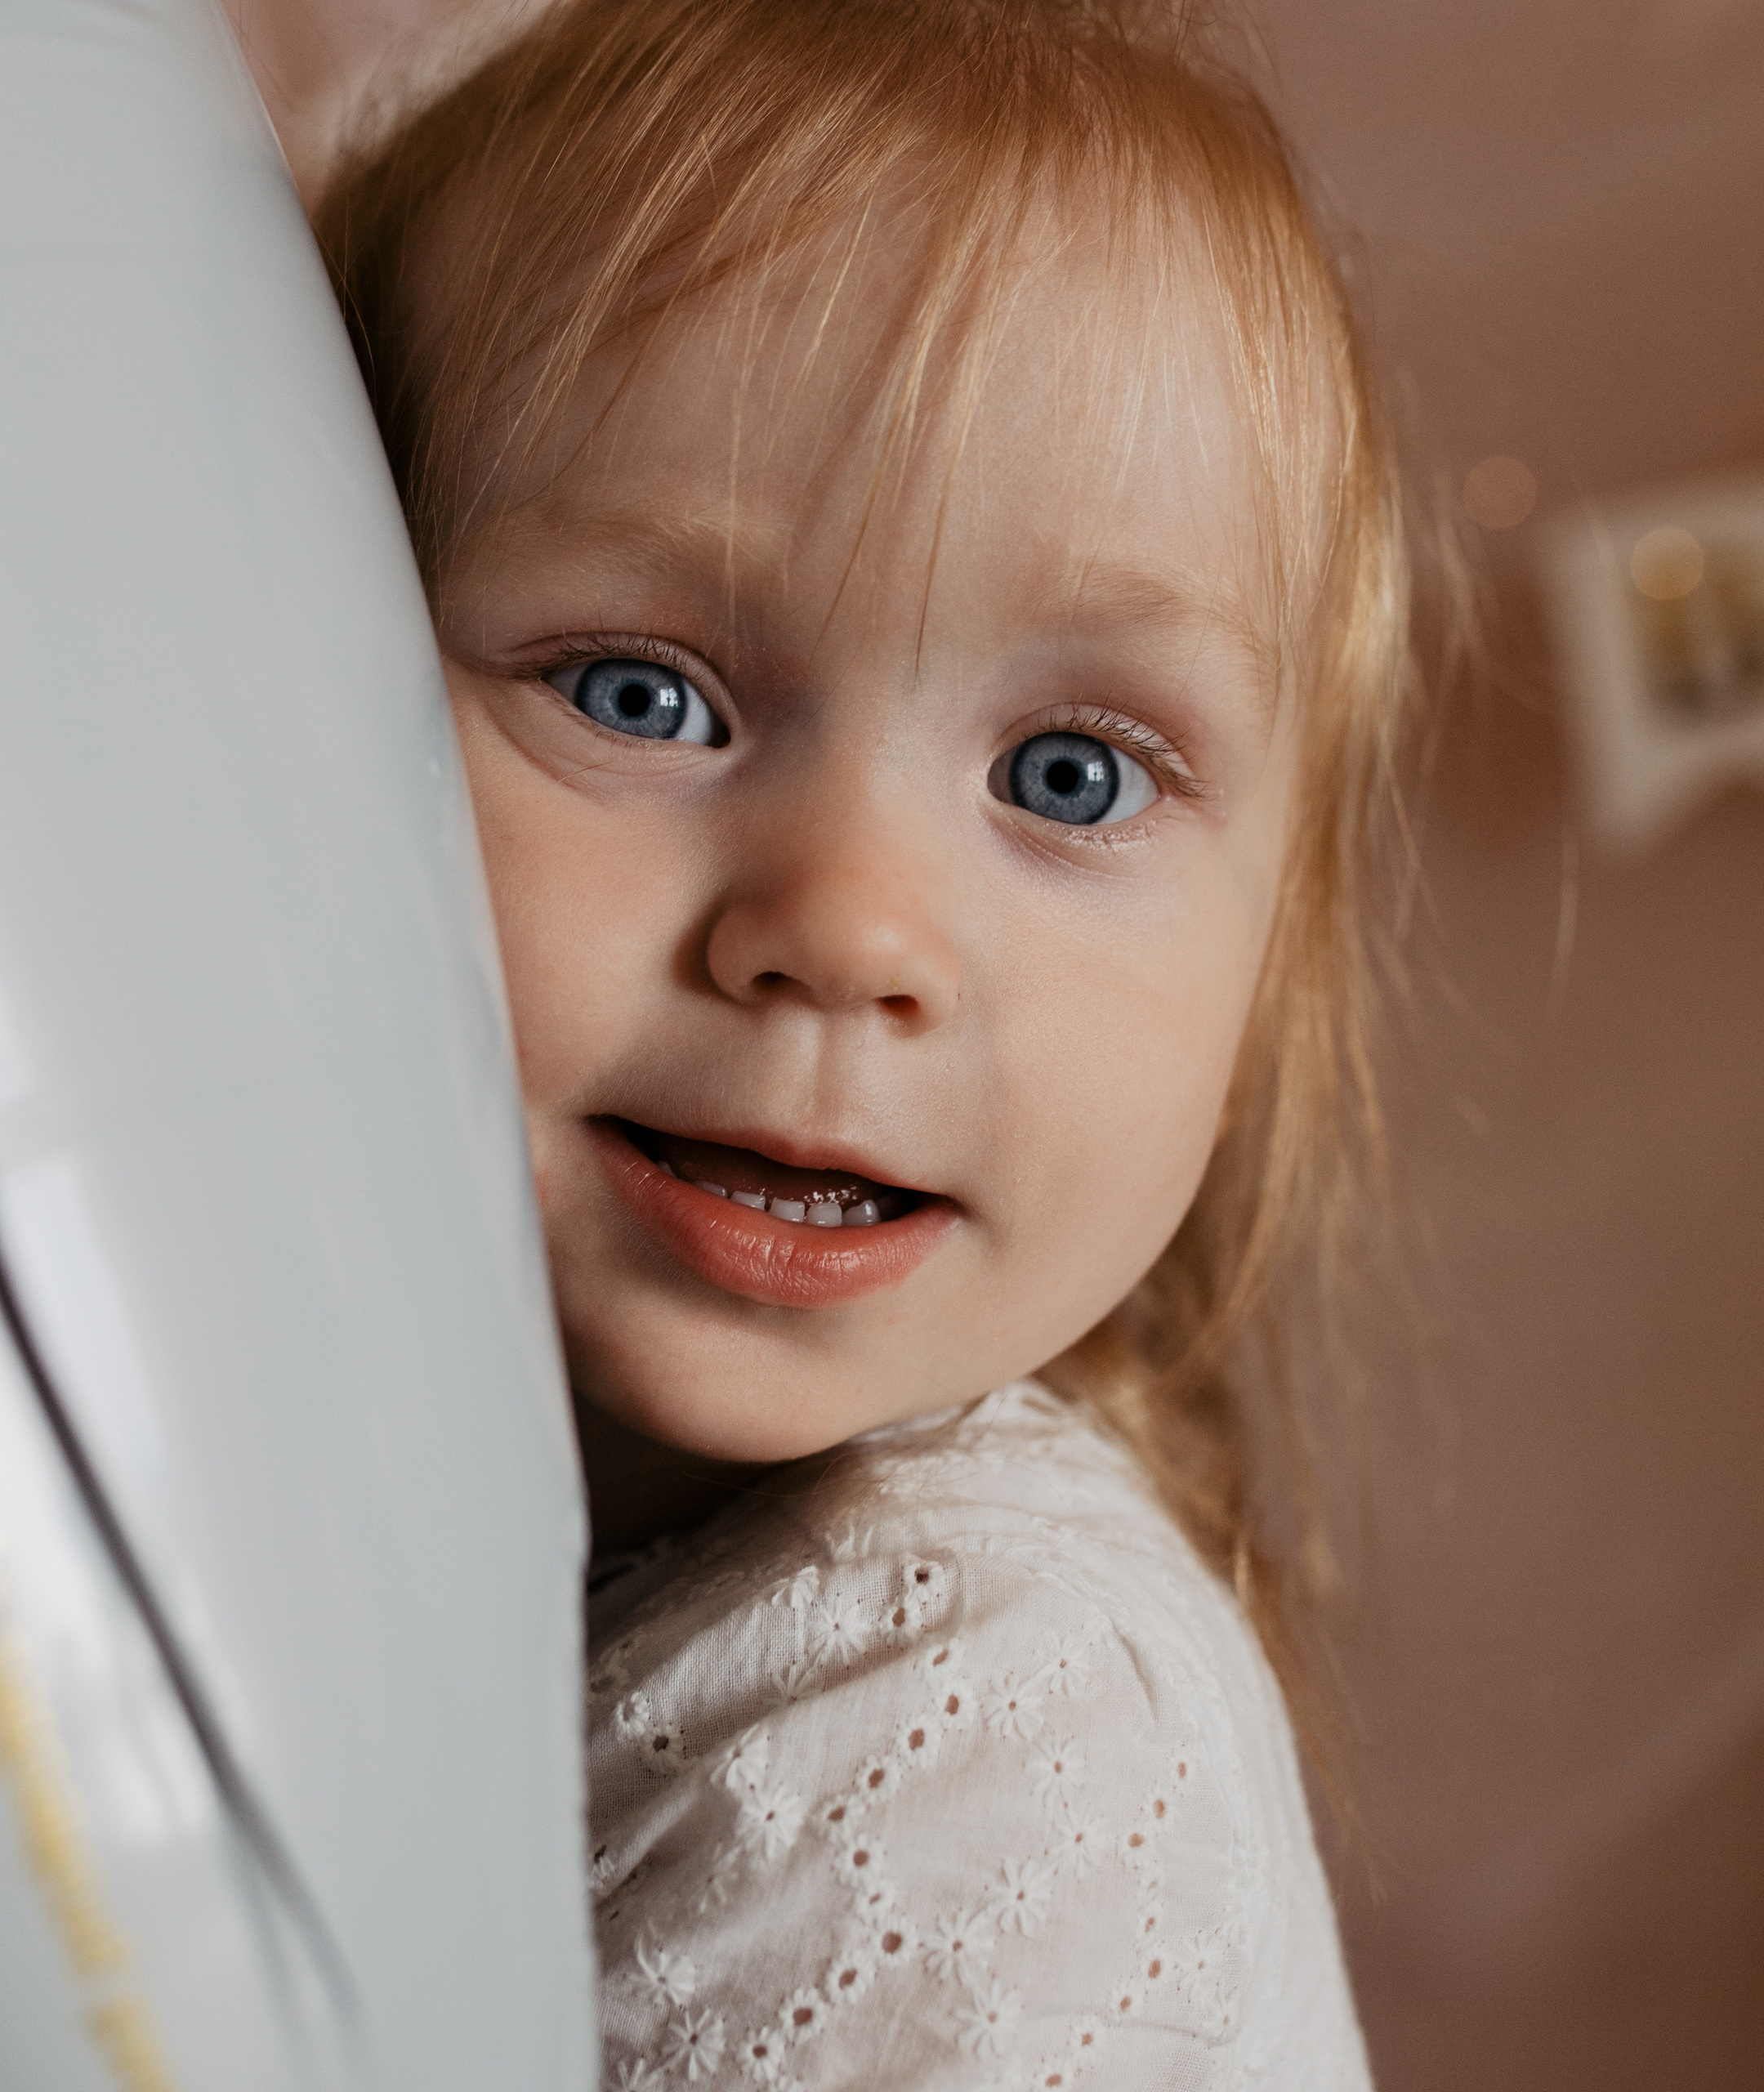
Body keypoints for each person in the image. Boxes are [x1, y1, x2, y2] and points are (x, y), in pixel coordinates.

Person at [319, 1, 1407, 2081]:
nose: (848, 931)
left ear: (1272, 958)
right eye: (641, 694)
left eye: (1072, 776)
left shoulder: (985, 1716)